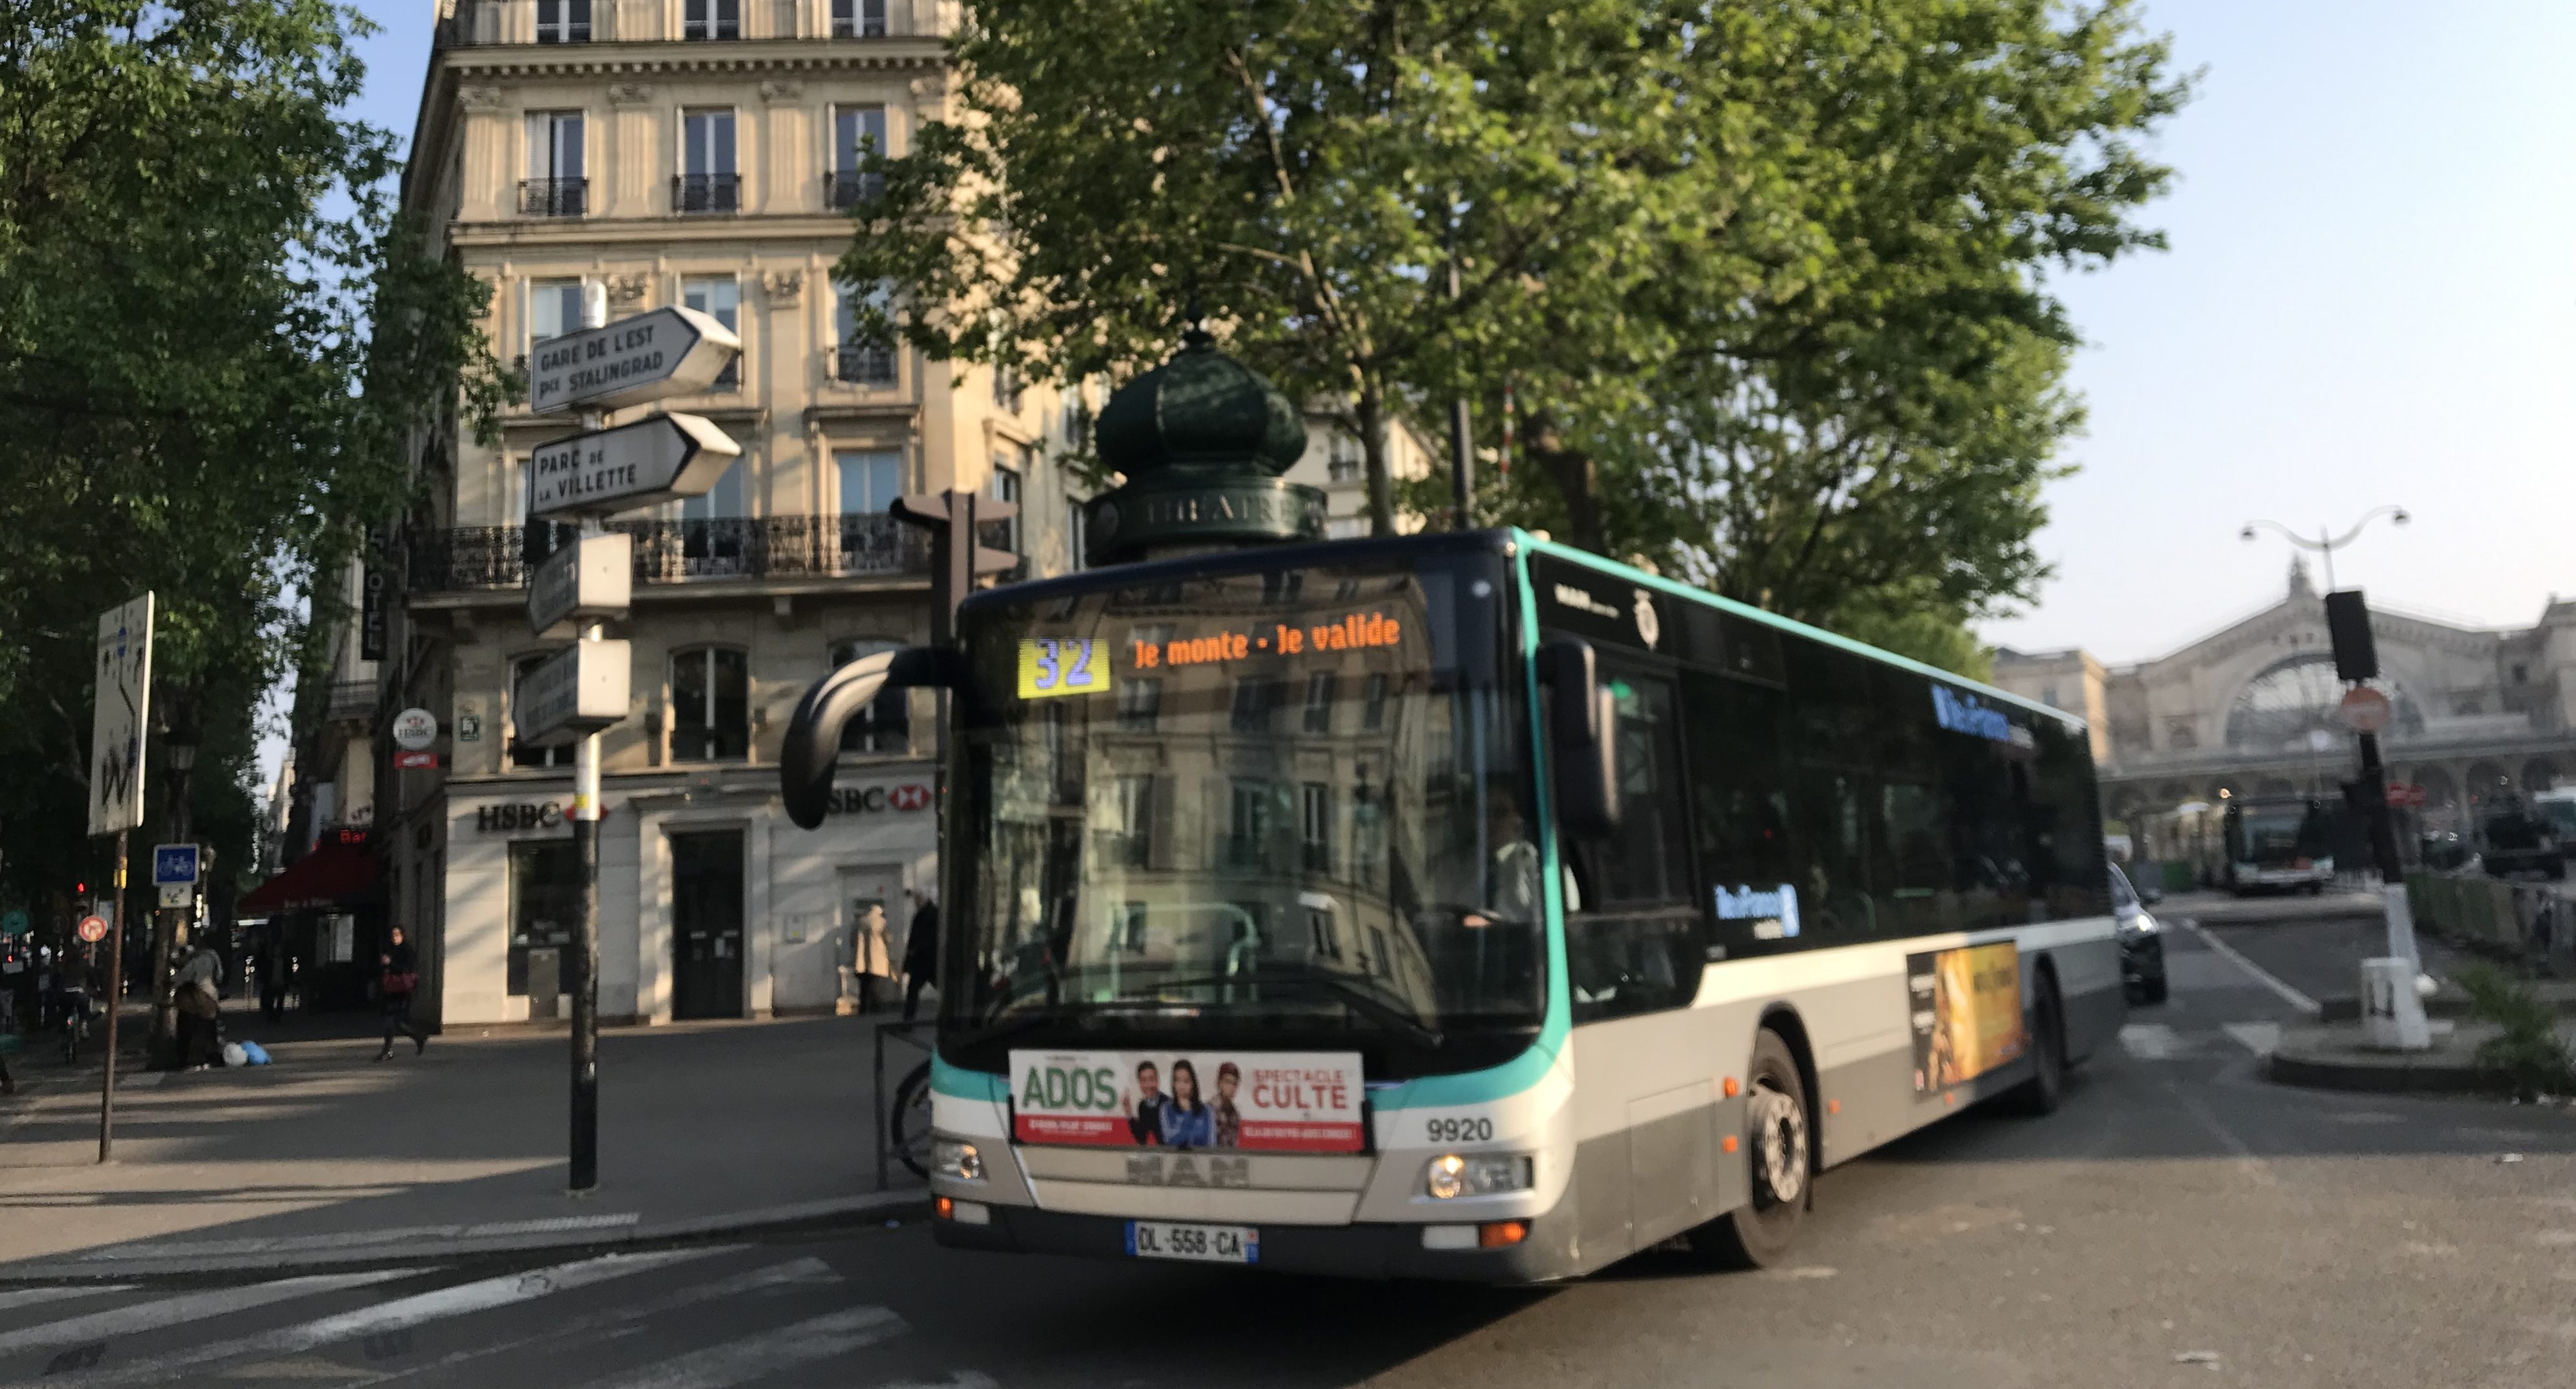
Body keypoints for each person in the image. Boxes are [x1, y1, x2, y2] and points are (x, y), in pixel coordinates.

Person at [373, 925, 428, 1062]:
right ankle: (416, 1038)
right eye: (393, 935)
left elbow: (407, 968)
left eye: (397, 935)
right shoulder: (389, 949)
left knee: (394, 1021)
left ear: (403, 936)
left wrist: (391, 963)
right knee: (390, 1021)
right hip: (390, 990)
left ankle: (414, 1039)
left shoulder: (407, 950)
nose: (395, 938)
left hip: (402, 990)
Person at [172, 941, 224, 1069]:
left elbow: (184, 979)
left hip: (195, 1001)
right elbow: (219, 977)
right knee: (207, 1031)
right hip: (208, 999)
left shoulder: (196, 962)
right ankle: (209, 1057)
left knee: (189, 1032)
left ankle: (190, 1059)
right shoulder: (212, 957)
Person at [900, 890, 940, 1022]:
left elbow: (916, 939)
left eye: (917, 901)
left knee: (913, 990)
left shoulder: (923, 916)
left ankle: (908, 1020)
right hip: (932, 960)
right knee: (939, 987)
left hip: (923, 960)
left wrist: (909, 959)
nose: (915, 903)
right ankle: (908, 1019)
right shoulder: (933, 913)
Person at [851, 899, 894, 1015]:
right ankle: (877, 1007)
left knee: (864, 986)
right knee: (875, 985)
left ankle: (863, 1009)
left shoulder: (860, 921)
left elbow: (852, 940)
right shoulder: (881, 922)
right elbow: (888, 939)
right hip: (876, 960)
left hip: (861, 960)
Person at [1159, 1059, 1214, 1149]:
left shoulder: (1207, 1111)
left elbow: (1211, 1145)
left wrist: (1189, 1110)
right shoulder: (1166, 1109)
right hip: (1175, 1161)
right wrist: (1187, 1114)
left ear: (1193, 1084)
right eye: (1177, 1080)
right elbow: (1169, 1141)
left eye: (1186, 1081)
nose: (1181, 1086)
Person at [1122, 1059, 1168, 1146]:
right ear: (1139, 1083)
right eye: (1144, 1080)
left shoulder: (1168, 1104)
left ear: (1158, 1080)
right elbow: (1141, 1138)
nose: (1148, 1085)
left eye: (1152, 1079)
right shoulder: (1142, 1106)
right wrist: (1129, 1113)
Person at [1210, 1061, 1243, 1148]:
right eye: (1228, 1082)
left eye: (1234, 1084)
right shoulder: (1208, 1110)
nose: (1231, 1088)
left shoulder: (1235, 1114)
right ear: (1219, 1083)